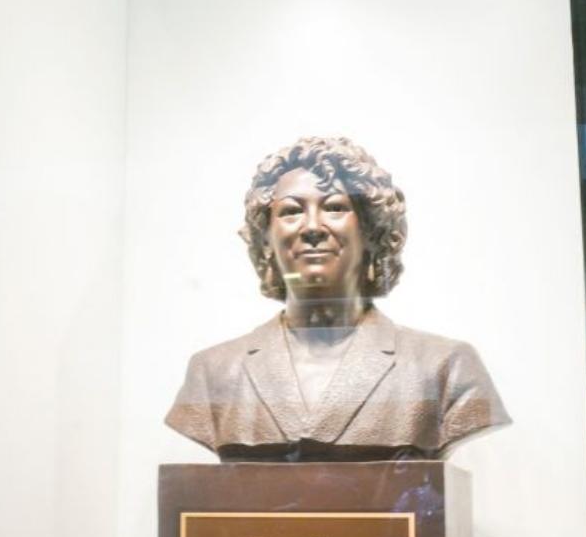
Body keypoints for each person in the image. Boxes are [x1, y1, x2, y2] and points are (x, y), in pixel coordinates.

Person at [166, 136, 510, 461]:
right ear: (266, 239)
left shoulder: (445, 369)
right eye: (291, 211)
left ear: (371, 231)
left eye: (334, 207)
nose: (312, 226)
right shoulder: (214, 374)